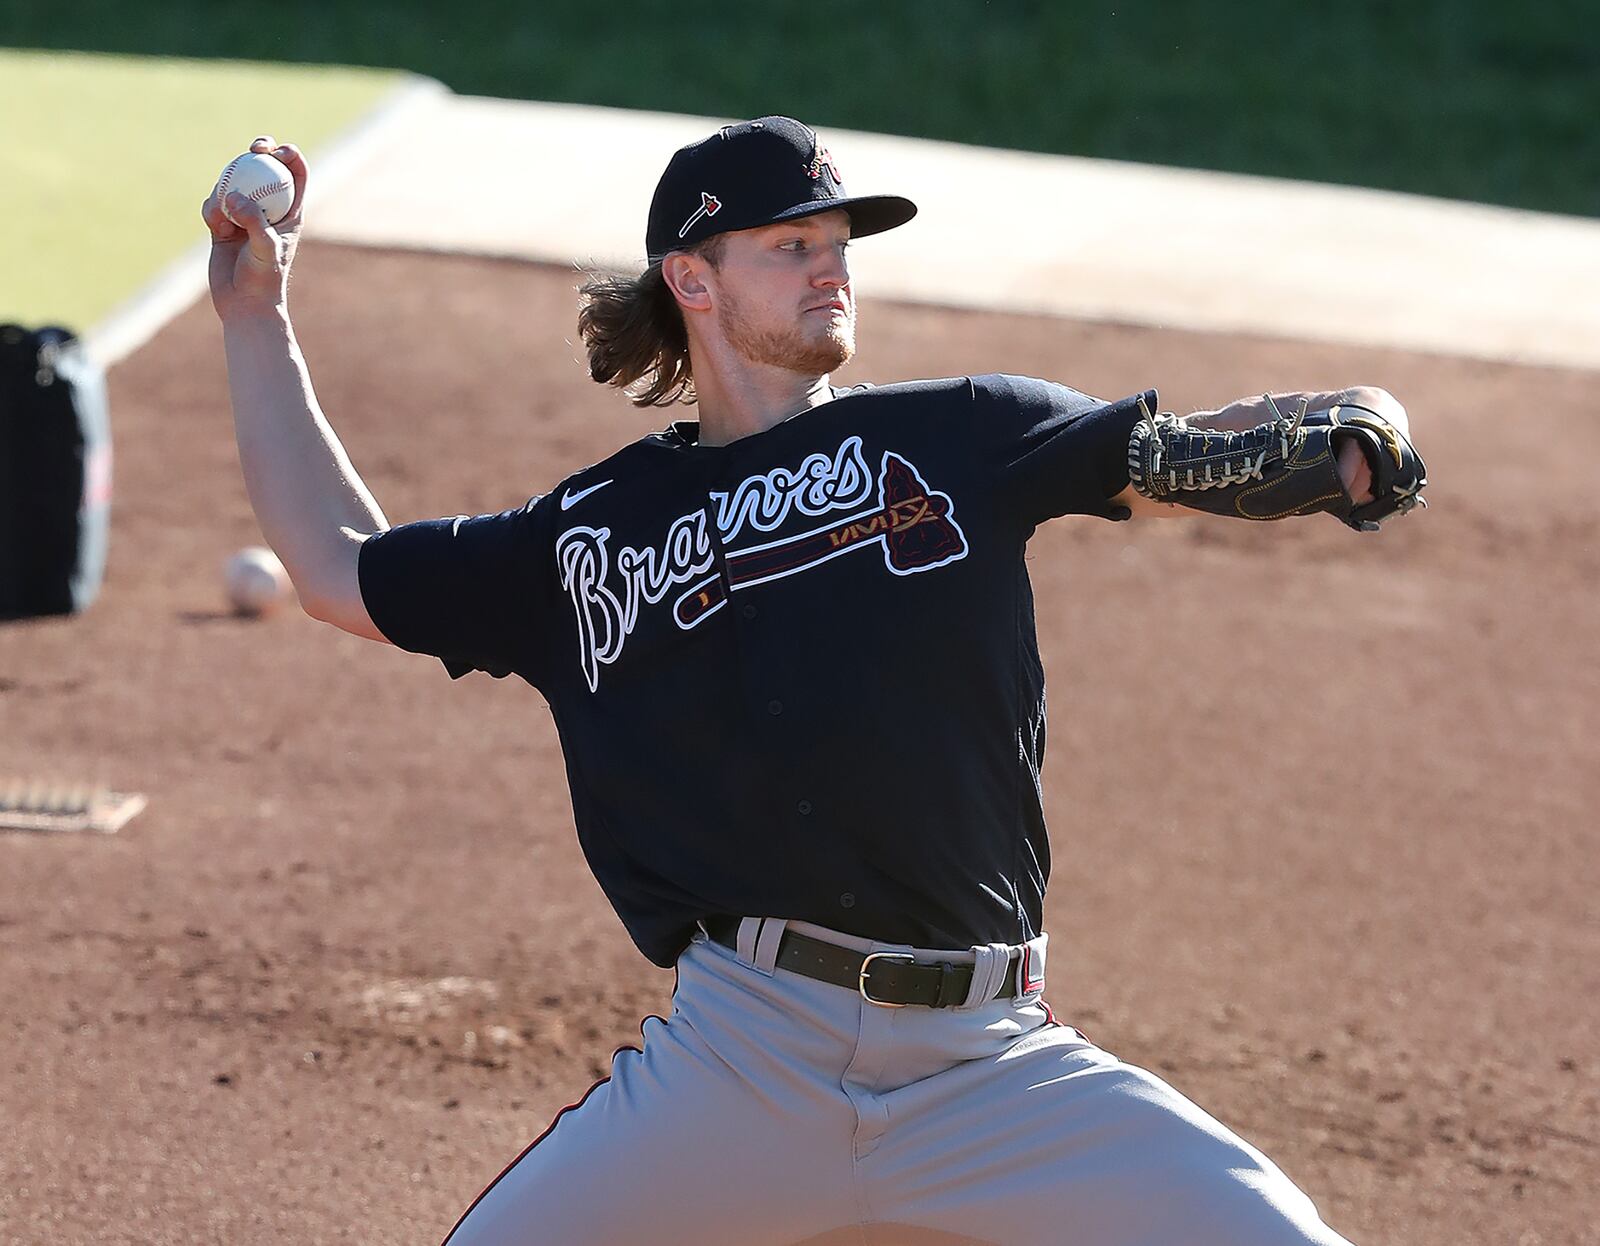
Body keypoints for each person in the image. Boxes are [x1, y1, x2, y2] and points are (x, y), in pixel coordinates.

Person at [204, 118, 1424, 1246]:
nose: (829, 267)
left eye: (836, 245)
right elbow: (339, 567)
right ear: (692, 277)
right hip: (743, 1063)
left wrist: (1336, 434)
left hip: (990, 1066)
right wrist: (255, 313)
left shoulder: (964, 434)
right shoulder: (588, 535)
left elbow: (1170, 455)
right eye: (790, 246)